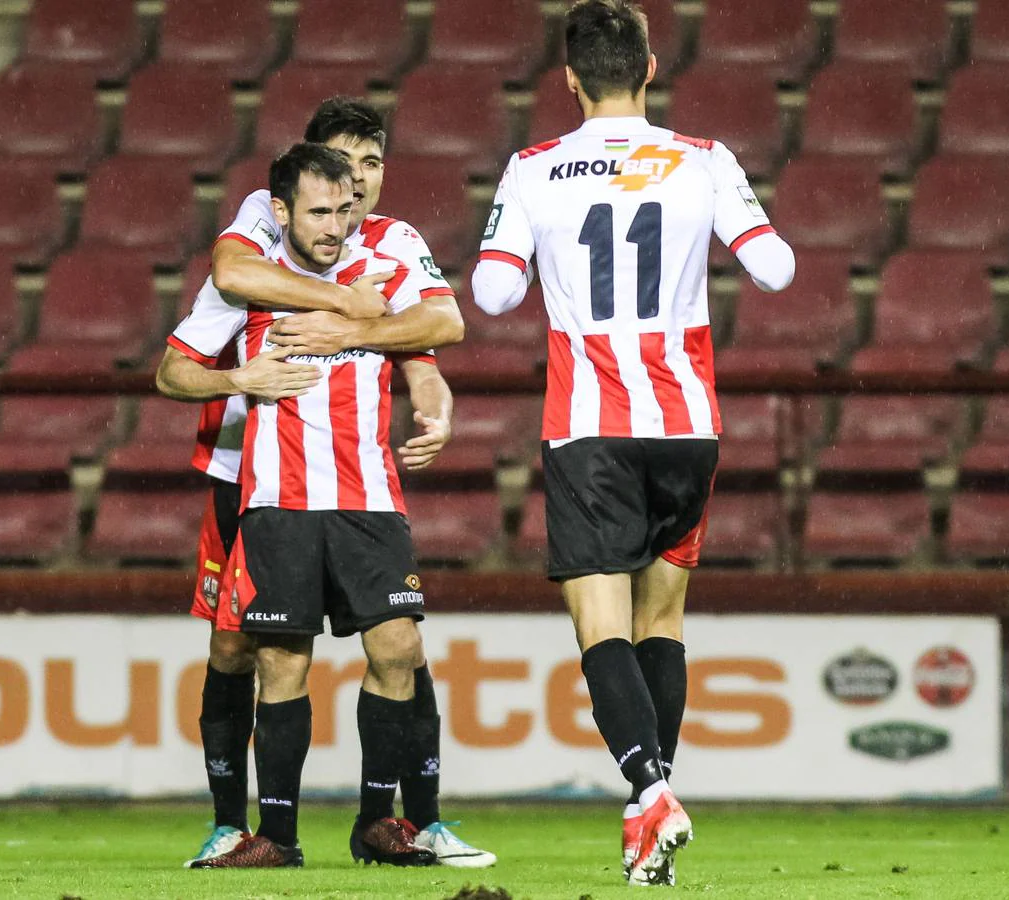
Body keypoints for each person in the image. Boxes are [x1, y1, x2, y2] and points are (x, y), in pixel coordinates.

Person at [470, 0, 795, 886]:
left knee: (600, 624)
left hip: (589, 428)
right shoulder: (704, 160)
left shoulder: (534, 167)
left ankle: (650, 791)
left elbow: (494, 295)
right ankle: (650, 813)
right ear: (651, 68)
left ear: (568, 78)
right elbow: (776, 267)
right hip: (688, 423)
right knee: (664, 618)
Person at [157, 99, 492, 869]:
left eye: (368, 174)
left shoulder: (394, 248)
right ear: (293, 198)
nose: (351, 198)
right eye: (336, 184)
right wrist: (252, 369)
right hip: (262, 485)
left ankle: (390, 820)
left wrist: (367, 338)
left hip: (367, 493)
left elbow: (438, 335)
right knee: (256, 653)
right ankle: (254, 829)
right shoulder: (258, 247)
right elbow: (189, 339)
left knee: (399, 647)